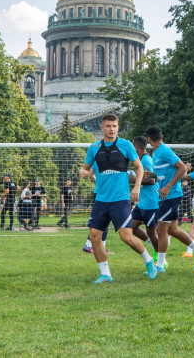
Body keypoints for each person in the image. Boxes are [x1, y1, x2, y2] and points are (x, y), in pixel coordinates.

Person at [80, 113, 156, 283]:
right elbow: (84, 169)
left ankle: (149, 260)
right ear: (102, 128)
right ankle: (105, 274)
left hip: (120, 199)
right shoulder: (94, 148)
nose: (111, 129)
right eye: (108, 126)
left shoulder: (125, 145)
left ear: (118, 127)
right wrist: (83, 173)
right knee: (94, 236)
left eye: (114, 126)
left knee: (126, 237)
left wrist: (136, 187)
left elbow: (139, 167)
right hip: (101, 199)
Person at [148, 125, 194, 274]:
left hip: (172, 194)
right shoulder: (156, 153)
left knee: (160, 229)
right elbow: (163, 172)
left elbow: (181, 168)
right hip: (164, 195)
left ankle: (160, 265)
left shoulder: (165, 151)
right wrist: (150, 175)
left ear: (149, 139)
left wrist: (168, 186)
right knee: (173, 230)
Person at [129, 136, 160, 260]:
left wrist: (132, 179)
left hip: (152, 202)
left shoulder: (146, 160)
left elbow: (152, 180)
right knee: (130, 227)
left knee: (151, 232)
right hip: (143, 203)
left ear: (136, 147)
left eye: (132, 146)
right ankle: (154, 246)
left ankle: (161, 261)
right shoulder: (141, 160)